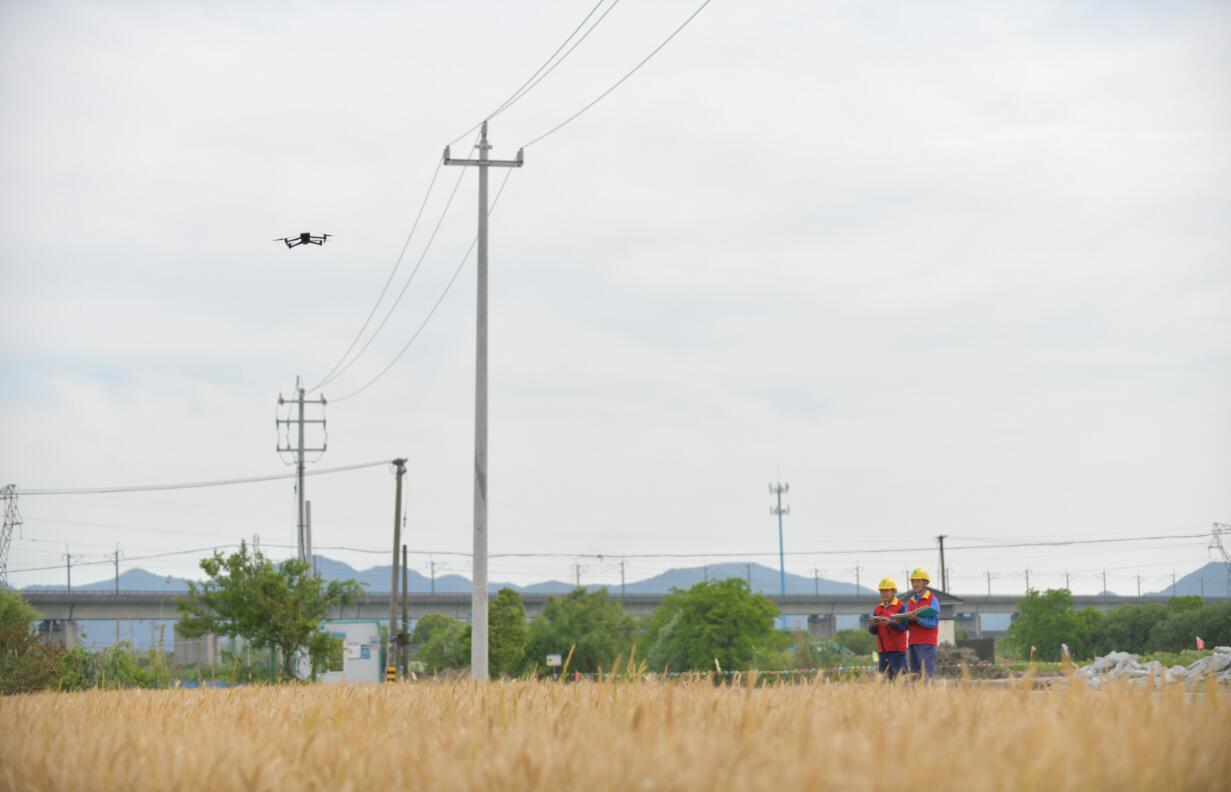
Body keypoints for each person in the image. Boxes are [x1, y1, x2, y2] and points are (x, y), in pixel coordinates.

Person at [868, 577, 909, 679]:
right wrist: (873, 625)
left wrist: (890, 622)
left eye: (886, 590)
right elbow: (873, 632)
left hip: (898, 651)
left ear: (894, 591)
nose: (884, 593)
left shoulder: (901, 607)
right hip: (883, 652)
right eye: (882, 591)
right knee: (885, 682)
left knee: (901, 681)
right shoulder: (877, 609)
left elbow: (904, 627)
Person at [904, 568, 941, 679]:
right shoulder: (911, 601)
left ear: (925, 582)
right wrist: (902, 620)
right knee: (915, 676)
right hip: (913, 642)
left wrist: (918, 619)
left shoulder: (932, 600)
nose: (915, 584)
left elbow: (933, 622)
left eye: (918, 581)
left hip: (927, 643)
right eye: (913, 581)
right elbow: (907, 625)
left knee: (927, 676)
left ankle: (929, 696)